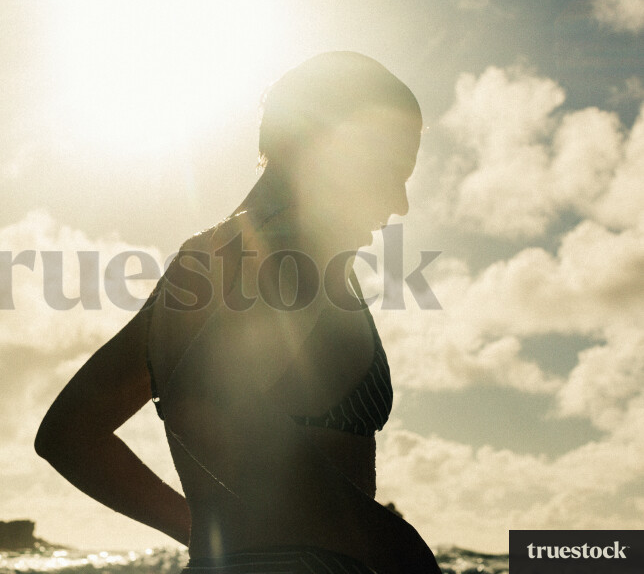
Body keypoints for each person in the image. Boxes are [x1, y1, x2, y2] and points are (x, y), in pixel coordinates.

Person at [35, 52, 441, 574]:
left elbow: (71, 433)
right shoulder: (292, 249)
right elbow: (204, 404)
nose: (400, 202)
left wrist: (205, 532)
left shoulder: (207, 255)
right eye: (392, 170)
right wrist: (393, 545)